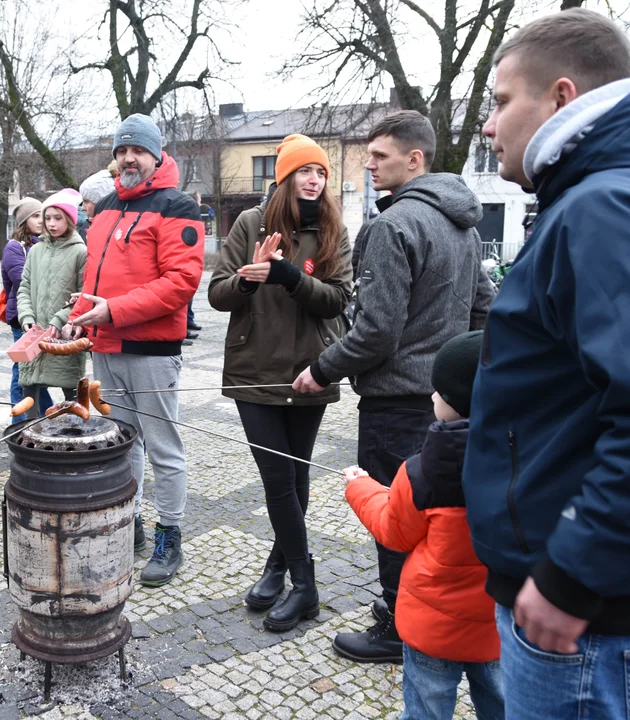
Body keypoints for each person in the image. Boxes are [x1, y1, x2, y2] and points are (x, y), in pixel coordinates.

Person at [464, 10, 630, 718]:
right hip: (601, 601)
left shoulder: (613, 207)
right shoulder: (610, 194)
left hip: (597, 619)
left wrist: (573, 575)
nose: (488, 126)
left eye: (500, 100)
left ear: (562, 98)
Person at [293, 110, 494, 664]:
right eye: (368, 154)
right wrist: (460, 379)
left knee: (397, 516)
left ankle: (398, 626)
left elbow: (375, 332)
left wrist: (321, 369)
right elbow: (485, 309)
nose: (368, 164)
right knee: (440, 516)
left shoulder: (392, 225)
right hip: (447, 405)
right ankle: (431, 616)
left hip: (395, 403)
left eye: (379, 156)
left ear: (416, 159)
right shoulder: (464, 223)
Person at [208, 134, 352, 631]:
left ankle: (278, 566)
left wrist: (290, 275)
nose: (314, 180)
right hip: (254, 371)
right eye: (304, 173)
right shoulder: (251, 223)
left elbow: (337, 300)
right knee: (276, 478)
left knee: (295, 476)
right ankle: (306, 585)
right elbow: (217, 294)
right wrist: (249, 280)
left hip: (310, 372)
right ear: (284, 179)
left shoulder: (334, 230)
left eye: (320, 173)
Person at [64, 114, 205, 584]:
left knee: (163, 447)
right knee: (121, 445)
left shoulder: (178, 206)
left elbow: (181, 283)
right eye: (121, 150)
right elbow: (96, 281)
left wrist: (112, 311)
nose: (128, 158)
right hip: (105, 345)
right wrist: (79, 311)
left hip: (151, 350)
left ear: (156, 154)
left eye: (137, 150)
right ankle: (130, 522)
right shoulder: (103, 208)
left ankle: (170, 534)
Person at [344, 331, 502, 719]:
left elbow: (394, 531)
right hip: (497, 624)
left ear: (457, 403)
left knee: (426, 710)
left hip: (433, 629)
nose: (431, 398)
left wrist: (359, 487)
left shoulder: (422, 471)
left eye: (439, 392)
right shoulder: (532, 460)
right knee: (502, 705)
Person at [17, 189, 88, 418]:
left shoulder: (81, 252)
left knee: (72, 393)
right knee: (29, 390)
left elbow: (83, 295)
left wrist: (60, 319)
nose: (51, 224)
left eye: (58, 218)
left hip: (64, 335)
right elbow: (24, 287)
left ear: (69, 219)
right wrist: (26, 317)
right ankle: (31, 436)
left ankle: (75, 438)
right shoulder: (35, 250)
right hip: (35, 333)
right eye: (47, 218)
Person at [1, 197, 53, 423]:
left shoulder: (44, 244)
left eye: (43, 214)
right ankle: (20, 423)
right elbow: (24, 281)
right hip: (23, 319)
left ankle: (49, 416)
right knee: (23, 374)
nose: (41, 220)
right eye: (35, 215)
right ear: (24, 221)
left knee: (37, 374)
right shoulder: (15, 247)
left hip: (44, 317)